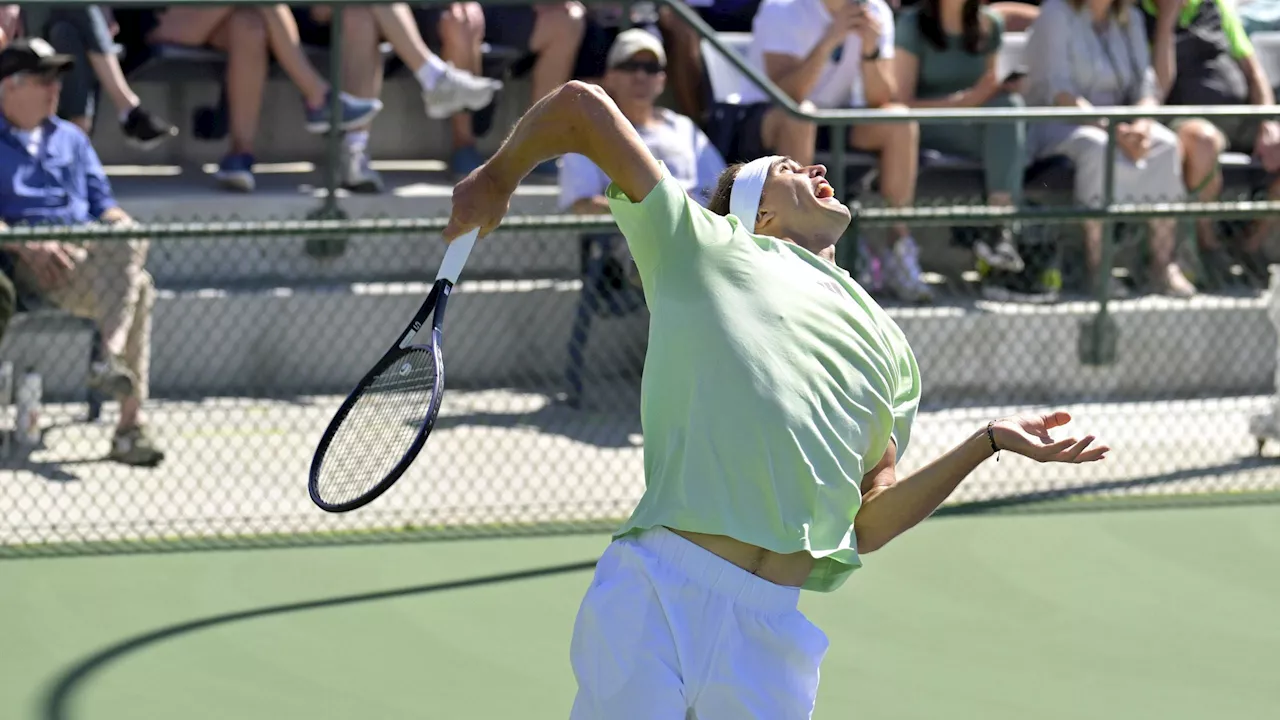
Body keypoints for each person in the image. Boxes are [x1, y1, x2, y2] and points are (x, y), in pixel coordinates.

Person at [445, 79, 1110, 719]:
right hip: (657, 596)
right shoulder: (699, 248)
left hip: (771, 629)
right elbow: (581, 109)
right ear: (759, 213)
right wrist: (496, 178)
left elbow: (868, 521)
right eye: (791, 166)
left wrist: (985, 442)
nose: (817, 165)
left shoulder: (887, 344)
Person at [0, 38, 164, 466]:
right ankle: (128, 426)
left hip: (88, 255)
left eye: (57, 79)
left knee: (128, 240)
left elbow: (102, 202)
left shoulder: (71, 138)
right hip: (29, 263)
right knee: (141, 289)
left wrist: (118, 223)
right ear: (8, 87)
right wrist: (25, 244)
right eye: (43, 79)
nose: (56, 88)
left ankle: (107, 360)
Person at [1024, 0, 1197, 298]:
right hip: (1059, 123)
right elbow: (1059, 91)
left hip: (1122, 125)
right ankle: (1099, 269)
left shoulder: (1129, 17)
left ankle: (1162, 265)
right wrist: (1113, 129)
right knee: (1099, 148)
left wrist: (1142, 124)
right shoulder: (1055, 14)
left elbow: (1147, 85)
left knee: (1166, 144)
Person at [893, 0, 1031, 294]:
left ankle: (1000, 233)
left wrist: (1002, 88)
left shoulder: (989, 25)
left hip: (975, 124)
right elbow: (900, 103)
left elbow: (988, 89)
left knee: (1010, 108)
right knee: (1007, 128)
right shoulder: (911, 26)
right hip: (923, 127)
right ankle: (1000, 232)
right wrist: (964, 102)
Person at [1145, 0, 1280, 285]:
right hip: (1182, 123)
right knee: (1204, 141)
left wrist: (1268, 122)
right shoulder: (1138, 14)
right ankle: (1209, 246)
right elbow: (1159, 84)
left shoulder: (1217, 6)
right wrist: (1167, 18)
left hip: (1241, 120)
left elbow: (1254, 72)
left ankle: (1250, 246)